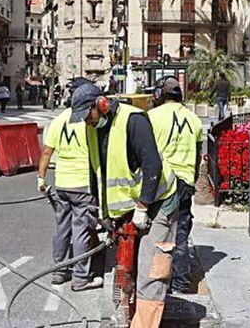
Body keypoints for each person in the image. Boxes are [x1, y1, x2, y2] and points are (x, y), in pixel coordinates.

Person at [70, 83, 178, 328]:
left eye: (89, 115)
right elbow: (96, 171)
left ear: (102, 104)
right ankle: (125, 316)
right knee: (125, 266)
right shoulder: (93, 129)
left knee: (152, 271)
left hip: (159, 201)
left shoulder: (133, 121)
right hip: (129, 205)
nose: (87, 122)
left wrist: (142, 206)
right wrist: (101, 213)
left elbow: (153, 165)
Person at [148, 77, 203, 294]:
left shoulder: (152, 117)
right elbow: (198, 154)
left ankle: (160, 281)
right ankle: (181, 283)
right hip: (185, 182)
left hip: (162, 183)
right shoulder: (194, 119)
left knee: (159, 233)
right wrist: (192, 179)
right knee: (181, 232)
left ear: (160, 95)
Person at [37, 105, 102, 291]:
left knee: (62, 228)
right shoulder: (87, 121)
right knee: (81, 229)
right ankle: (81, 277)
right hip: (83, 184)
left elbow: (47, 152)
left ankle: (59, 271)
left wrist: (41, 178)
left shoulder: (58, 121)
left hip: (62, 184)